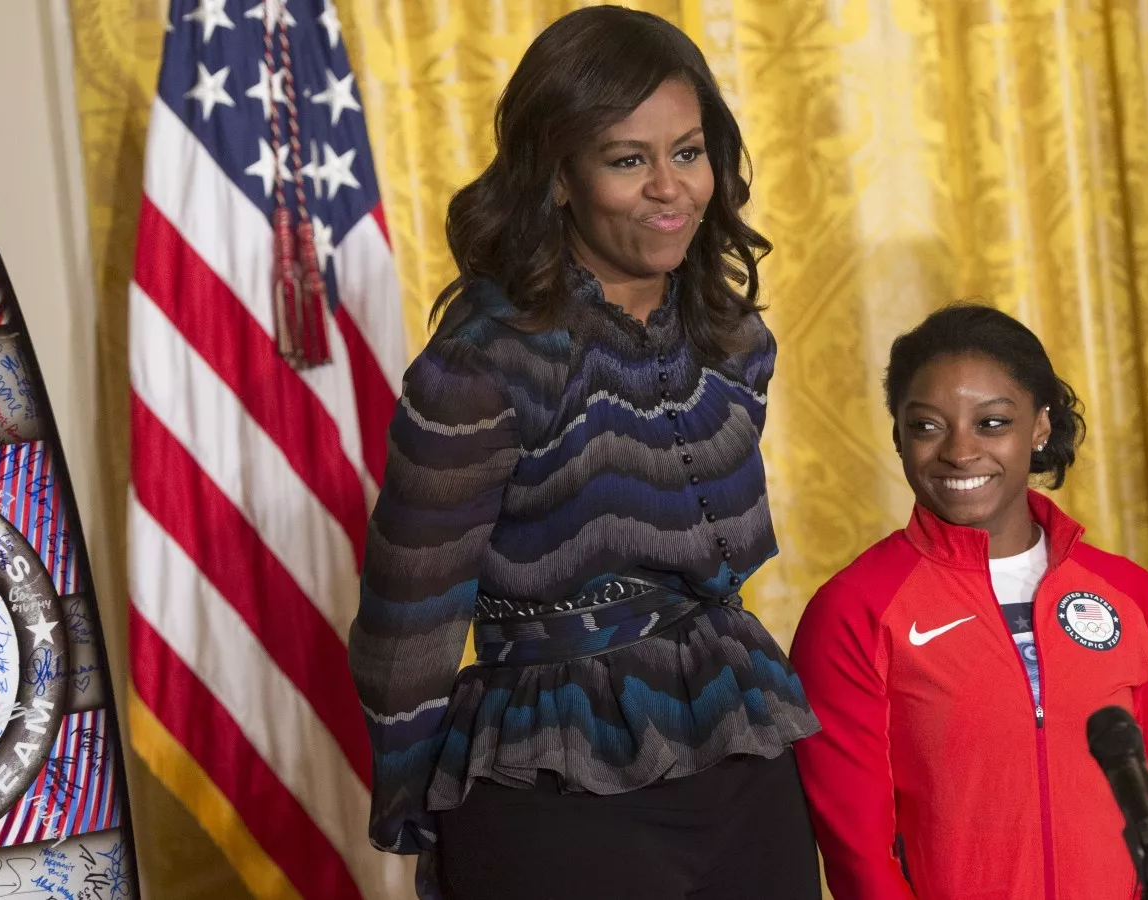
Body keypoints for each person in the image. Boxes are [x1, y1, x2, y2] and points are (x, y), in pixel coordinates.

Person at [347, 6, 822, 899]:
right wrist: (417, 811)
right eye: (627, 159)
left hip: (736, 737)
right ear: (558, 176)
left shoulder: (732, 338)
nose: (670, 188)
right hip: (552, 773)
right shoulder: (485, 361)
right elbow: (406, 624)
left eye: (687, 152)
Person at [790, 304, 1148, 900]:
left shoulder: (1132, 597)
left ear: (1039, 427)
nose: (960, 452)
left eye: (992, 423)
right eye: (928, 426)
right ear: (897, 435)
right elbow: (859, 852)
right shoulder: (854, 611)